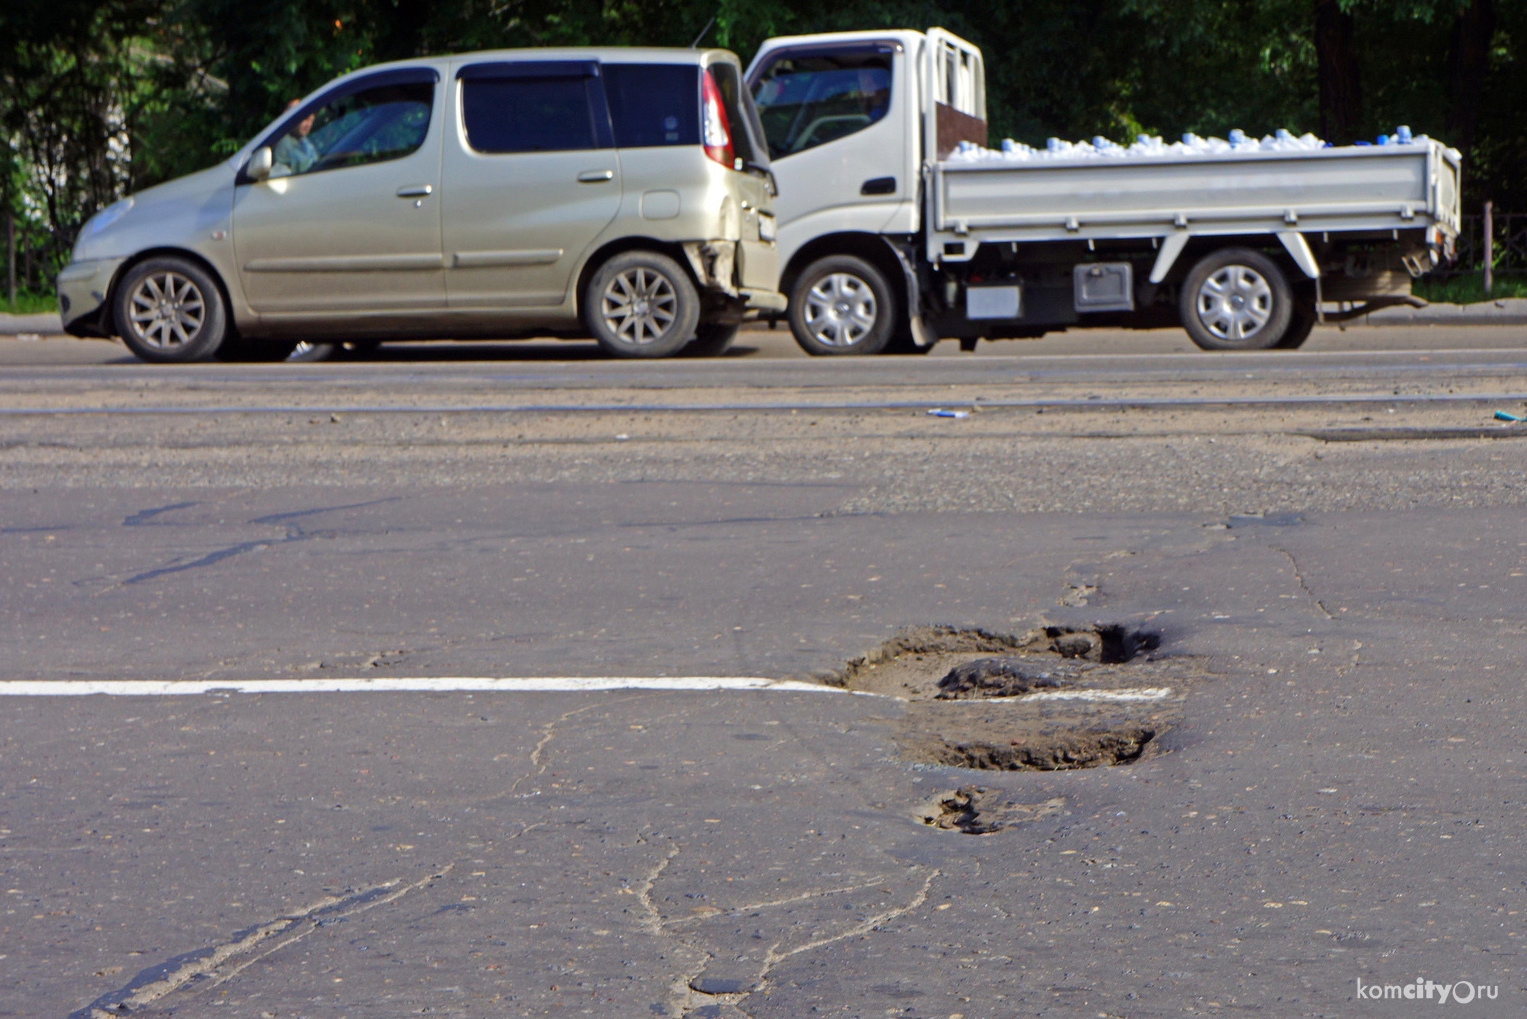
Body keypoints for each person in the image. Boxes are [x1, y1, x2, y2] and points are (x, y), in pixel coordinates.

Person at [272, 99, 319, 176]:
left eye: (311, 121)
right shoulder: (282, 142)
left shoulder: (304, 141)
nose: (309, 125)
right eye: (306, 119)